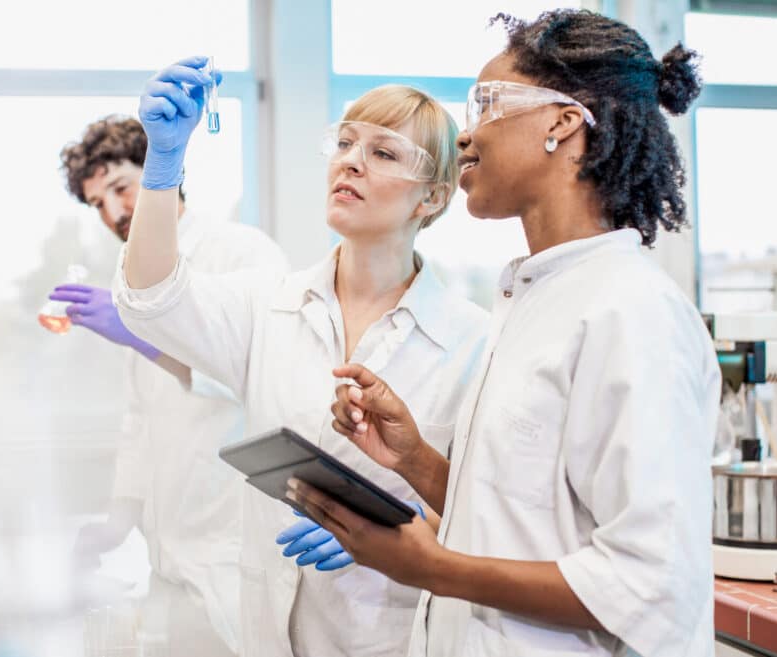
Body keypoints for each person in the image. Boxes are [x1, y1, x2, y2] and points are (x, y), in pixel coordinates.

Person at [289, 9, 721, 657]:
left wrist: (431, 567)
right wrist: (415, 458)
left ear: (562, 122)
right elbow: (522, 519)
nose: (465, 136)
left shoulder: (631, 311)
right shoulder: (532, 297)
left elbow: (655, 582)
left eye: (486, 104)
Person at [113, 57, 488, 657]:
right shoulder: (268, 305)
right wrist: (164, 168)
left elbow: (490, 515)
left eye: (384, 153)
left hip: (389, 636)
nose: (351, 161)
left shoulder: (474, 343)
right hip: (265, 632)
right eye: (345, 143)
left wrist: (397, 526)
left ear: (433, 197)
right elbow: (153, 301)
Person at [55, 115, 287, 656]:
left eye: (121, 187)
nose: (114, 212)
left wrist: (142, 336)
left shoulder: (243, 253)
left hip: (232, 546)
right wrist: (116, 523)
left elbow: (264, 379)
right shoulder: (128, 276)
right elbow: (141, 415)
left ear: (163, 173)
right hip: (169, 555)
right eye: (97, 203)